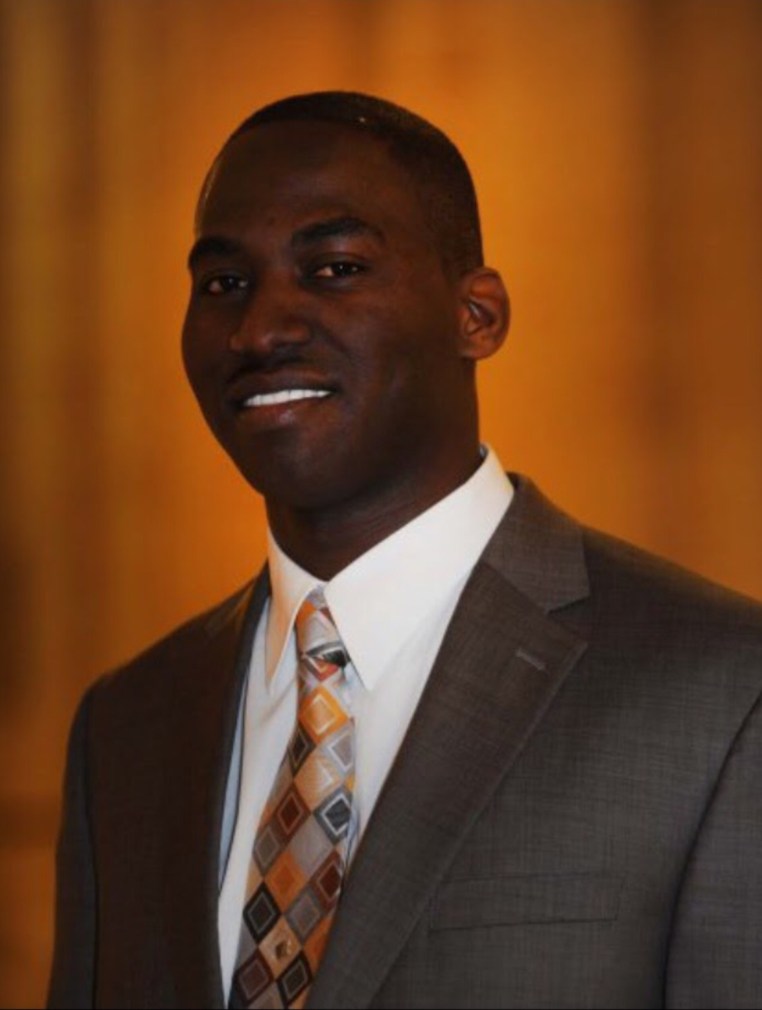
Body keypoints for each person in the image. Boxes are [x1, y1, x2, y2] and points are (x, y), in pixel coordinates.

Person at [47, 91, 762, 1010]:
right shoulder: (124, 728)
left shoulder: (721, 695)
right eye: (224, 283)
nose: (259, 329)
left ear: (478, 316)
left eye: (335, 268)